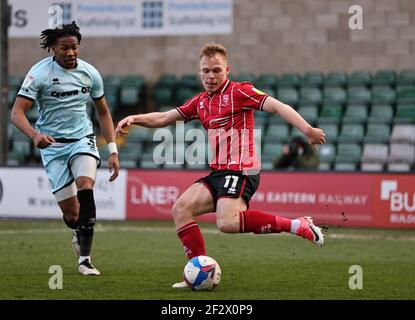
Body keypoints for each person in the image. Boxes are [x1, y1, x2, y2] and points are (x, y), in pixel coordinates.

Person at [115, 43, 326, 288]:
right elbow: (164, 117)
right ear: (199, 71)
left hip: (242, 169)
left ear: (227, 69)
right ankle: (198, 270)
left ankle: (298, 226)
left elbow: (278, 107)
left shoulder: (240, 91)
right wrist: (134, 118)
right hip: (219, 171)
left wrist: (307, 130)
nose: (211, 76)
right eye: (205, 71)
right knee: (180, 210)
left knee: (226, 223)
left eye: (216, 70)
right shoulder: (200, 102)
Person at [10, 21, 120, 276]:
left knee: (86, 185)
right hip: (52, 146)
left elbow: (103, 114)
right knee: (73, 215)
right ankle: (76, 230)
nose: (71, 53)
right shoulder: (39, 74)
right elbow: (17, 113)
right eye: (65, 48)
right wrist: (34, 135)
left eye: (74, 47)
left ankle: (85, 260)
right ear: (53, 49)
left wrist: (112, 150)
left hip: (83, 139)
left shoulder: (90, 73)